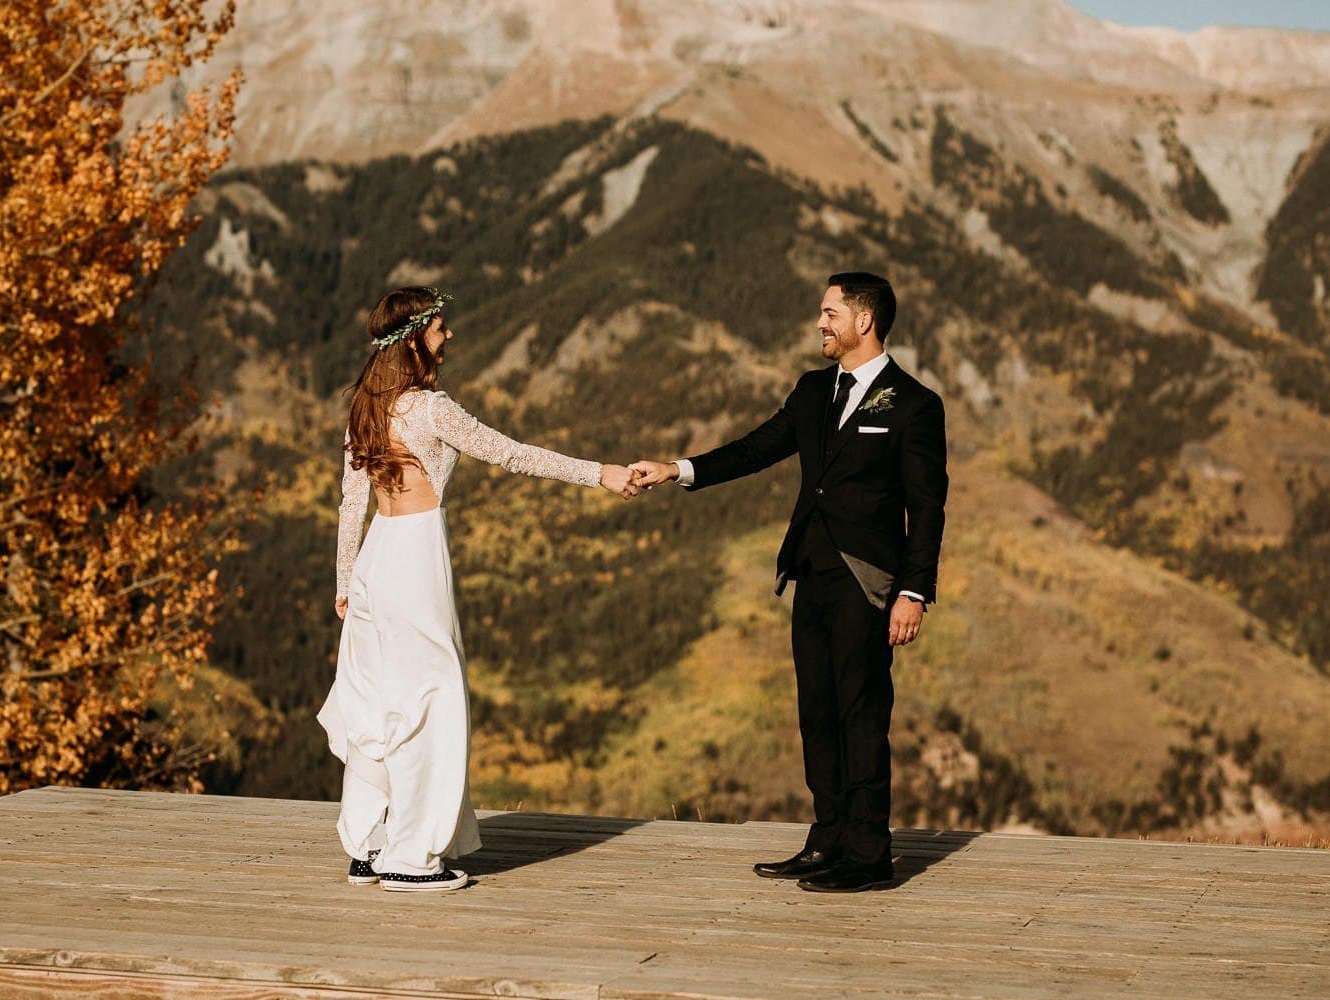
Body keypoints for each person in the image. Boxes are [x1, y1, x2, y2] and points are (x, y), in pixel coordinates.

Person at [631, 272, 947, 893]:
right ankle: (827, 839)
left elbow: (928, 506)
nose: (820, 323)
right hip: (810, 574)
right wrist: (677, 469)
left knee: (861, 714)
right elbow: (755, 449)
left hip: (868, 583)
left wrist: (914, 592)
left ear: (863, 321)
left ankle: (869, 854)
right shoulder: (812, 390)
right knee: (817, 714)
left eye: (830, 313)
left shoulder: (915, 404)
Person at [317, 286, 639, 892]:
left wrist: (344, 580)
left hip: (374, 561)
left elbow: (351, 503)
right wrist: (601, 474)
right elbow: (512, 454)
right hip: (415, 559)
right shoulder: (430, 410)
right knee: (430, 701)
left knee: (376, 700)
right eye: (440, 327)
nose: (449, 335)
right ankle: (410, 858)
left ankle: (367, 844)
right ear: (414, 339)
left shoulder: (365, 407)